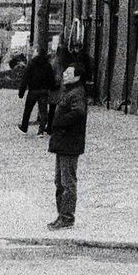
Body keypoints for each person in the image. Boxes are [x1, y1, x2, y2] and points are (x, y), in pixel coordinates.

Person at [47, 65, 88, 230]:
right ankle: (61, 215)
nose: (64, 75)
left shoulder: (77, 93)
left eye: (69, 73)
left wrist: (59, 123)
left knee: (67, 182)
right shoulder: (69, 91)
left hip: (69, 143)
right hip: (62, 143)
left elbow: (79, 113)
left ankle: (67, 217)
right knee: (59, 181)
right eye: (65, 72)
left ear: (77, 77)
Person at [18, 47, 56, 134]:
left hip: (33, 90)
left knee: (28, 109)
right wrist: (52, 87)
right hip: (44, 91)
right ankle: (41, 130)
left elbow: (26, 78)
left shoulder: (32, 64)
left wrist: (21, 92)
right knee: (43, 111)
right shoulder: (47, 65)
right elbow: (51, 79)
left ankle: (24, 127)